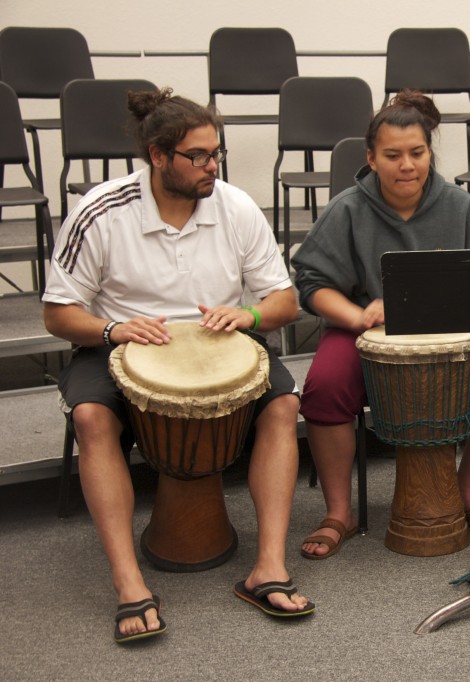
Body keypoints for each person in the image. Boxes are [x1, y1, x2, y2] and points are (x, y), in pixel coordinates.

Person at [42, 88, 314, 643]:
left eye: (216, 153)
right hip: (116, 346)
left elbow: (285, 303)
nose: (211, 166)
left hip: (222, 343)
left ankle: (268, 567)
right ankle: (129, 584)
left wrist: (247, 314)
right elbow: (57, 312)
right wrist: (113, 328)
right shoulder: (99, 210)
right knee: (92, 418)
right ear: (157, 155)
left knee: (284, 404)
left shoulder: (234, 206)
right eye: (198, 156)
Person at [291, 90, 470, 559]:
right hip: (361, 331)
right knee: (323, 388)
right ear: (371, 158)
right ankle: (339, 511)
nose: (407, 165)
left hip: (453, 332)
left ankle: (469, 491)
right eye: (393, 155)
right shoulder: (347, 208)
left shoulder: (459, 205)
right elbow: (312, 283)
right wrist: (358, 315)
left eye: (417, 153)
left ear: (430, 153)